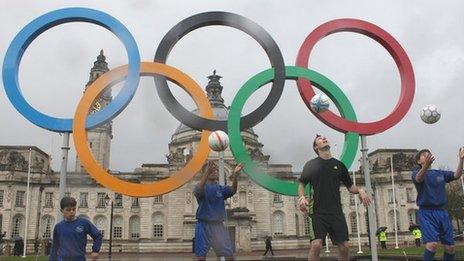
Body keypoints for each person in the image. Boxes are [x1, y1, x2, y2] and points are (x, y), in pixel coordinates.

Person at [298, 135, 371, 261]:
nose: (324, 138)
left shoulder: (339, 165)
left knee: (345, 246)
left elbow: (350, 186)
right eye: (320, 139)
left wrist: (360, 190)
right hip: (317, 212)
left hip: (336, 212)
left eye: (325, 137)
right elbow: (302, 184)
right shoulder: (311, 165)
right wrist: (302, 197)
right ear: (316, 147)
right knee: (316, 245)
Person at [412, 148, 463, 261]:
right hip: (427, 212)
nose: (427, 156)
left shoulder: (439, 173)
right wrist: (426, 166)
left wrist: (461, 159)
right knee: (432, 245)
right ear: (419, 161)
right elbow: (418, 178)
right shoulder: (416, 173)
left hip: (442, 212)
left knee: (450, 248)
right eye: (424, 155)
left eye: (428, 154)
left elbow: (457, 175)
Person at [193, 161, 243, 261]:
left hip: (218, 225)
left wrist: (235, 175)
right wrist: (207, 173)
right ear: (204, 173)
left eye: (215, 169)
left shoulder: (220, 189)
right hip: (203, 224)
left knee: (229, 255)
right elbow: (198, 191)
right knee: (201, 257)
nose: (214, 171)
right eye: (211, 170)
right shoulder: (201, 186)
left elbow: (233, 190)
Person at [49, 197, 102, 261]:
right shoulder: (58, 227)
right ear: (62, 211)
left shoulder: (84, 223)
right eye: (68, 210)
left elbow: (98, 235)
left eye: (73, 209)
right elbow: (55, 246)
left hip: (79, 258)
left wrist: (95, 250)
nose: (71, 212)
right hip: (62, 258)